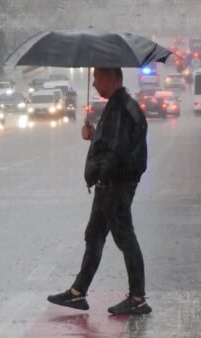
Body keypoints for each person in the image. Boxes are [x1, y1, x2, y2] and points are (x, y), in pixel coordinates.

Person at [47, 67, 151, 315]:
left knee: (125, 238)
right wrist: (94, 137)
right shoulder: (118, 106)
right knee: (94, 236)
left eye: (96, 79)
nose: (94, 85)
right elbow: (112, 144)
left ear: (112, 78)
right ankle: (77, 292)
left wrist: (102, 176)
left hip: (115, 184)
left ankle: (138, 297)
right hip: (111, 184)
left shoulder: (121, 109)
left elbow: (117, 151)